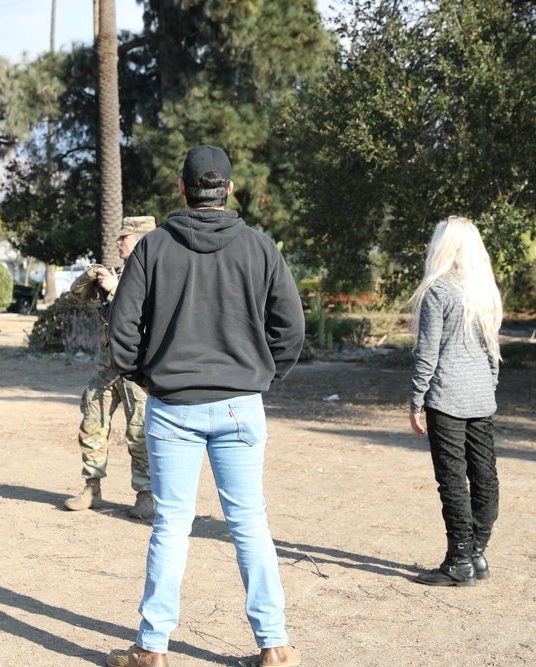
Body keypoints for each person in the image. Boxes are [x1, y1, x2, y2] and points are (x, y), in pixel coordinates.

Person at [105, 146, 306, 667]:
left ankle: (153, 649)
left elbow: (122, 328)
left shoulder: (152, 249)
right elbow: (291, 328)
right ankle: (275, 645)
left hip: (172, 405)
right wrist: (264, 375)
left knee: (172, 525)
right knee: (250, 523)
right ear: (230, 190)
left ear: (182, 188)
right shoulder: (261, 248)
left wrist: (142, 375)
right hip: (241, 403)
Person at [407, 215, 502, 587]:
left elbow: (426, 353)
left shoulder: (439, 290)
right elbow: (494, 352)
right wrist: (489, 387)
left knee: (452, 479)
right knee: (485, 476)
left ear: (442, 247)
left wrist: (416, 401)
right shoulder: (485, 291)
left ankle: (459, 559)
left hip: (446, 397)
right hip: (481, 396)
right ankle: (477, 552)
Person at [64, 216, 157, 521]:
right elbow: (77, 294)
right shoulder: (119, 272)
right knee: (92, 425)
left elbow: (147, 314)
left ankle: (146, 496)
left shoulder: (156, 272)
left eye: (123, 237)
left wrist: (117, 290)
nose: (118, 242)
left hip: (137, 369)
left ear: (140, 238)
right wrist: (93, 275)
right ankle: (92, 489)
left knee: (139, 434)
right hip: (107, 368)